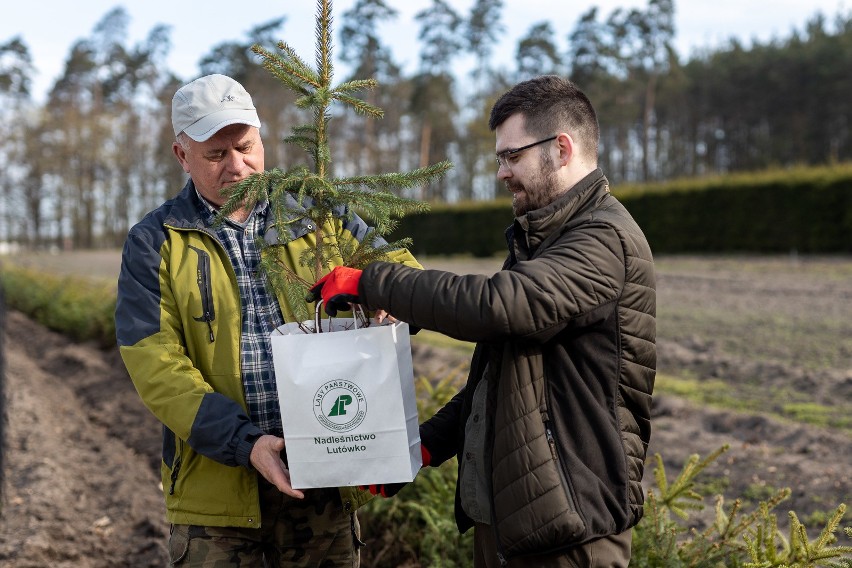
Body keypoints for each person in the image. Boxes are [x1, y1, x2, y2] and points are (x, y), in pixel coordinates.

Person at [310, 75, 656, 567]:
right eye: (500, 158)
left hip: (572, 536)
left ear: (561, 148)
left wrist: (372, 283)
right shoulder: (544, 240)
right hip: (514, 527)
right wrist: (427, 445)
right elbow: (501, 377)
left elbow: (499, 305)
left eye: (512, 156)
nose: (502, 172)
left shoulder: (604, 238)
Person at [115, 73, 420, 567]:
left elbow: (403, 270)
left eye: (247, 147)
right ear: (181, 155)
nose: (238, 167)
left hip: (326, 480)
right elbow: (154, 361)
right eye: (216, 155)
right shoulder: (156, 241)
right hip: (218, 501)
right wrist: (245, 443)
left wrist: (388, 294)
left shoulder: (319, 214)